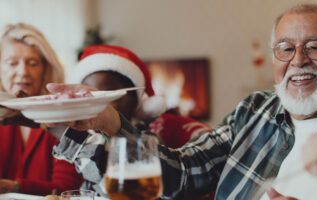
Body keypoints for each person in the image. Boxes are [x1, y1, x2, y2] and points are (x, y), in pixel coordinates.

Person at [45, 3, 317, 200]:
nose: (299, 60)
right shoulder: (254, 109)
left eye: (315, 46)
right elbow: (184, 171)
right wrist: (111, 122)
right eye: (286, 49)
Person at [52, 44, 210, 195]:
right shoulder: (84, 134)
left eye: (108, 95)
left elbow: (108, 180)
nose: (99, 104)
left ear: (135, 100)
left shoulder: (147, 136)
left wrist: (61, 131)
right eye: (91, 96)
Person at [0, 23, 82, 195]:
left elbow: (66, 188)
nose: (23, 72)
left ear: (45, 69)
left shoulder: (64, 118)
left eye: (32, 63)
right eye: (12, 63)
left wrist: (14, 187)